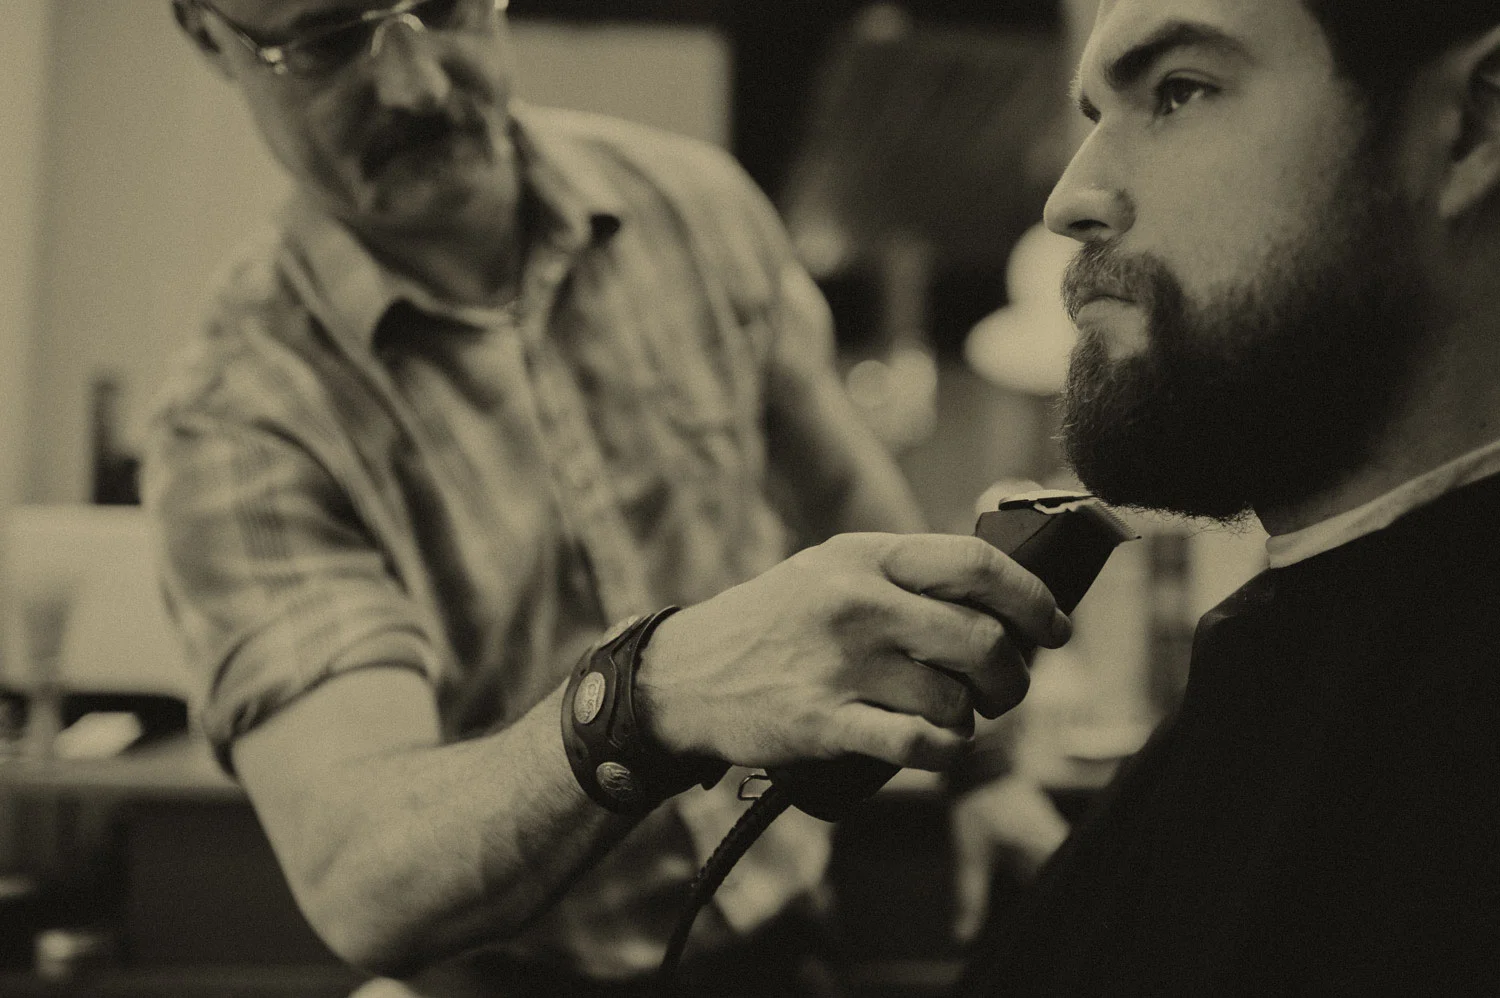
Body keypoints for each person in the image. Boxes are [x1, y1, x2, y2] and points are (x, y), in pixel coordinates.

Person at [145, 1, 1071, 995]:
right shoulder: (237, 418)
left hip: (788, 941)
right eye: (327, 41)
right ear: (210, 37)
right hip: (519, 972)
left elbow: (845, 492)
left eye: (446, 8)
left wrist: (988, 768)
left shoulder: (695, 206)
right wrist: (646, 694)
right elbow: (362, 874)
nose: (416, 83)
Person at [957, 0, 1500, 993]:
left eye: (1179, 92)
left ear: (1473, 128)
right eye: (1092, 116)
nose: (1071, 197)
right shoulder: (1293, 638)